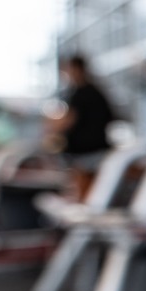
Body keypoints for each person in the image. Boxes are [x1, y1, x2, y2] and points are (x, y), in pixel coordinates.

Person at [50, 55, 116, 200]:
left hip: (86, 152)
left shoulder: (81, 94)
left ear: (77, 69)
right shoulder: (97, 92)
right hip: (97, 149)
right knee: (93, 190)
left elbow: (68, 121)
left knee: (85, 193)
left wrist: (53, 127)